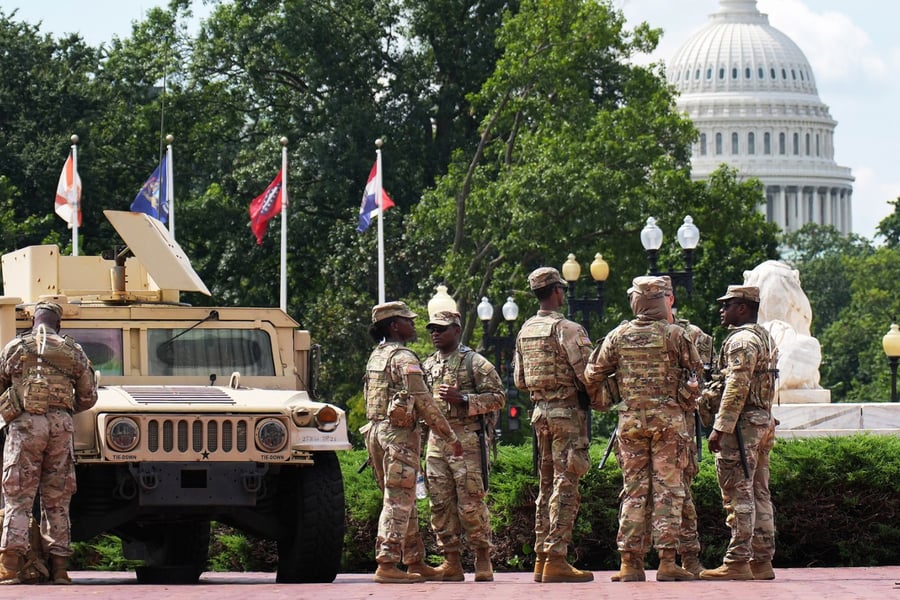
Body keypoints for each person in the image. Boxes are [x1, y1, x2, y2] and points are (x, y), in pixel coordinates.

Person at [585, 276, 701, 583]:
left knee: (634, 491)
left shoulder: (618, 335)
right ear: (663, 300)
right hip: (668, 423)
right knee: (668, 491)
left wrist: (609, 398)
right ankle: (666, 562)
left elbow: (591, 373)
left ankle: (630, 563)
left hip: (631, 421)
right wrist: (685, 400)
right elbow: (695, 378)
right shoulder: (676, 335)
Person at [361, 301, 464, 584]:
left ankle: (414, 560)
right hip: (399, 437)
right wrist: (449, 436)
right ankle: (387, 562)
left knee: (403, 498)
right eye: (408, 320)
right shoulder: (404, 357)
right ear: (394, 325)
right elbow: (424, 402)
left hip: (376, 432)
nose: (414, 324)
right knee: (398, 501)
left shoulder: (377, 356)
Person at [0, 301, 98, 585]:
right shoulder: (73, 351)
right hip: (60, 427)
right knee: (57, 499)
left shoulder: (15, 347)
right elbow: (88, 396)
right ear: (59, 323)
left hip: (25, 426)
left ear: (33, 321)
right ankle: (60, 570)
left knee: (18, 496)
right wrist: (62, 409)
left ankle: (10, 567)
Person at [513, 267, 595, 583]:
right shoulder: (567, 329)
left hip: (540, 415)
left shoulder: (525, 330)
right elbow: (588, 375)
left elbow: (520, 380)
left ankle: (541, 558)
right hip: (566, 416)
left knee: (546, 485)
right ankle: (557, 557)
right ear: (558, 292)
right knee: (566, 483)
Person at [699, 285, 778, 581]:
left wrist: (720, 427)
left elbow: (737, 386)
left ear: (742, 308)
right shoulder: (764, 337)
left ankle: (737, 560)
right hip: (761, 422)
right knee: (759, 492)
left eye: (727, 304)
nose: (722, 310)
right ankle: (762, 560)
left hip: (742, 426)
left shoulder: (742, 341)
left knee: (738, 491)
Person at [422, 310, 505, 582]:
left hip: (467, 440)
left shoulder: (475, 363)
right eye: (432, 329)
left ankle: (482, 558)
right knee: (440, 504)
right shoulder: (426, 366)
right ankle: (451, 561)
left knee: (470, 503)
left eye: (442, 329)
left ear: (457, 330)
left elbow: (498, 398)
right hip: (436, 442)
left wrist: (464, 399)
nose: (435, 333)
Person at [663, 276, 713, 576]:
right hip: (642, 428)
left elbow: (702, 382)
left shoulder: (694, 336)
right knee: (637, 493)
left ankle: (689, 558)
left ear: (670, 298)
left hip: (681, 426)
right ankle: (634, 559)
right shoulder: (631, 333)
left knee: (681, 494)